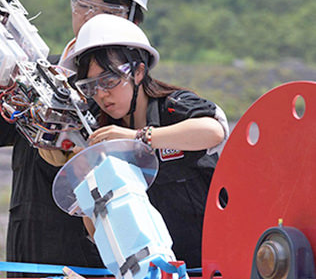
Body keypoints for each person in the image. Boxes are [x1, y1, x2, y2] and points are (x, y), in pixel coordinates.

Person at [0, 0, 152, 276]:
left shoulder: (133, 91)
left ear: (134, 20)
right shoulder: (39, 71)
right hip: (29, 243)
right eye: (82, 5)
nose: (89, 18)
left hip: (91, 257)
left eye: (106, 11)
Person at [61, 14, 229, 268]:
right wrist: (86, 177)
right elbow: (99, 231)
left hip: (212, 262)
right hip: (153, 268)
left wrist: (139, 137)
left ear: (138, 72)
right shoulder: (101, 132)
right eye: (91, 86)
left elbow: (212, 130)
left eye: (109, 81)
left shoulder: (172, 106)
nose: (102, 94)